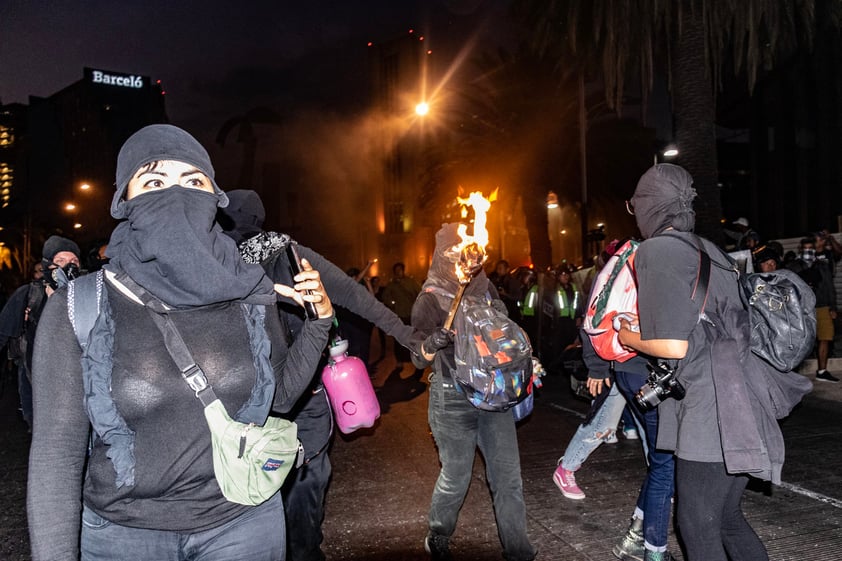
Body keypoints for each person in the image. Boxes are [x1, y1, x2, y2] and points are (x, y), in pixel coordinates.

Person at [27, 124, 334, 561]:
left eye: (193, 181)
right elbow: (56, 456)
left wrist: (319, 321)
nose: (177, 193)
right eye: (154, 181)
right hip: (123, 536)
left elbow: (280, 397)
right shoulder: (81, 306)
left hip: (244, 522)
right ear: (125, 202)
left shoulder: (248, 289)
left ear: (215, 198)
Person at [616, 163, 807, 561]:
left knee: (697, 526)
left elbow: (673, 346)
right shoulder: (711, 250)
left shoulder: (656, 251)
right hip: (743, 399)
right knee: (727, 519)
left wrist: (626, 335)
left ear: (652, 206)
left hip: (710, 410)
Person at [219, 189, 418, 561]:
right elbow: (356, 297)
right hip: (303, 396)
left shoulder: (212, 261)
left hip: (244, 401)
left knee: (250, 489)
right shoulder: (291, 253)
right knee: (305, 485)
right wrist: (406, 335)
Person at [411, 223, 536, 561]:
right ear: (441, 254)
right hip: (452, 398)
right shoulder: (430, 296)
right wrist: (431, 343)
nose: (461, 255)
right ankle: (438, 533)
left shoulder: (485, 289)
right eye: (452, 249)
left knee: (508, 479)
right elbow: (416, 358)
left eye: (466, 247)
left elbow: (505, 336)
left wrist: (524, 360)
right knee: (456, 476)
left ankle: (519, 551)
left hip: (493, 396)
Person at [0, 236, 81, 432]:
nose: (68, 267)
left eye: (73, 262)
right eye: (60, 261)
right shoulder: (28, 295)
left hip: (78, 387)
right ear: (47, 265)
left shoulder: (86, 294)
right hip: (36, 387)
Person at [787, 233, 841, 382]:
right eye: (805, 249)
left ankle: (822, 371)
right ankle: (793, 372)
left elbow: (830, 287)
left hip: (822, 306)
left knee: (825, 337)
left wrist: (833, 307)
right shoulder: (793, 266)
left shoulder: (822, 265)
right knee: (801, 339)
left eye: (811, 248)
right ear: (800, 249)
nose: (808, 252)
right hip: (802, 308)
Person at [381, 262, 422, 370]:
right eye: (396, 270)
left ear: (403, 270)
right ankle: (399, 360)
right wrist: (392, 303)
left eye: (400, 270)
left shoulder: (410, 282)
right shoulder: (392, 284)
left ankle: (412, 358)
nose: (398, 272)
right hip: (399, 315)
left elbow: (419, 293)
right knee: (398, 338)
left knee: (412, 337)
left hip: (411, 314)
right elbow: (385, 296)